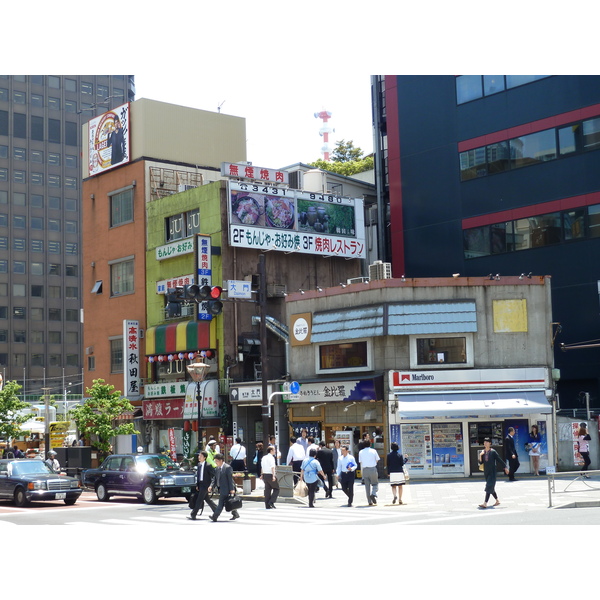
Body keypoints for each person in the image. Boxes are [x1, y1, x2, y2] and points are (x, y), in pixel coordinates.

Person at [478, 438, 509, 508]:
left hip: (492, 472)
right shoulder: (483, 452)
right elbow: (480, 463)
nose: (485, 443)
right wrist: (480, 455)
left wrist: (505, 467)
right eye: (484, 442)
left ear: (490, 443)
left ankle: (485, 503)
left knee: (489, 486)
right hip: (486, 471)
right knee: (491, 487)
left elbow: (499, 460)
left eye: (487, 442)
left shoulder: (493, 452)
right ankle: (497, 500)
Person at [208, 453, 240, 521]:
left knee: (221, 503)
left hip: (227, 488)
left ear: (221, 460)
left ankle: (214, 517)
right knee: (229, 502)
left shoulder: (227, 467)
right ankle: (235, 514)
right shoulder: (217, 468)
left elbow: (230, 479)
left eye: (217, 461)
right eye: (215, 461)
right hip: (221, 488)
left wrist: (232, 489)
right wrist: (211, 486)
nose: (216, 462)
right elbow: (215, 478)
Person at [189, 450, 217, 520]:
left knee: (199, 499)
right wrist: (197, 485)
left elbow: (214, 475)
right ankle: (216, 509)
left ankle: (193, 514)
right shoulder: (199, 465)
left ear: (204, 457)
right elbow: (198, 476)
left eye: (200, 456)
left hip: (206, 485)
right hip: (201, 484)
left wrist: (211, 485)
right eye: (199, 456)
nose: (199, 457)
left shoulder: (208, 465)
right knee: (207, 499)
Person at [359, 439, 380, 505]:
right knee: (375, 483)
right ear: (370, 444)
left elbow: (360, 462)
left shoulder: (361, 452)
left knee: (367, 486)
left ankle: (369, 501)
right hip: (372, 469)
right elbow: (377, 460)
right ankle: (373, 493)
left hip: (365, 469)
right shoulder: (373, 451)